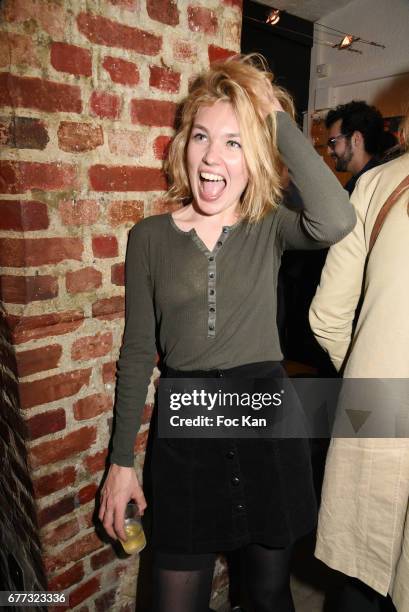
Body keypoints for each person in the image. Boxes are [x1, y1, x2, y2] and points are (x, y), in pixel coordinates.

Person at [99, 54, 356, 612]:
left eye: (235, 142)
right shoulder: (149, 238)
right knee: (175, 597)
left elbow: (336, 219)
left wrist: (275, 119)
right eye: (201, 137)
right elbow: (139, 352)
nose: (213, 157)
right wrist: (121, 463)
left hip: (266, 414)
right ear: (182, 147)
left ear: (255, 156)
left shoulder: (269, 227)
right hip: (187, 425)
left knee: (267, 594)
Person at [309, 112, 409, 611]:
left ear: (357, 139)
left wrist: (369, 367)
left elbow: (327, 315)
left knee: (362, 571)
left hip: (378, 412)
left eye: (333, 144)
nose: (331, 153)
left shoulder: (376, 186)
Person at [326, 100, 386, 194]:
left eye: (333, 142)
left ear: (356, 139)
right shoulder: (356, 183)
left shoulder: (375, 186)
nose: (328, 151)